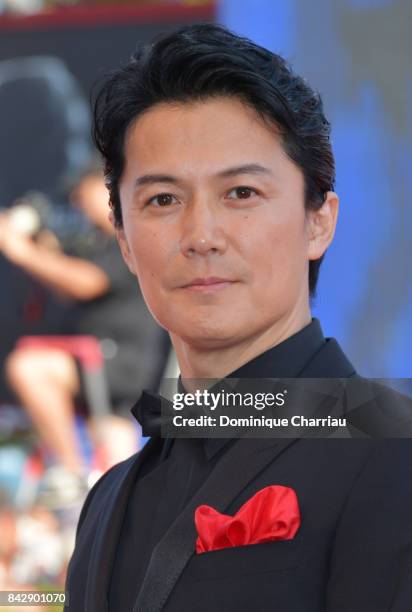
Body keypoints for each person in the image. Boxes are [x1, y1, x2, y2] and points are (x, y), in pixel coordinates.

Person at [64, 24, 412, 611]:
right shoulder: (108, 501)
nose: (201, 236)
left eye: (242, 193)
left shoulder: (392, 454)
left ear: (318, 221)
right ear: (123, 240)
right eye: (163, 200)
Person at [1, 168, 168, 497]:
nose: (80, 204)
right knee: (117, 469)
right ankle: (117, 504)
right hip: (114, 372)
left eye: (85, 194)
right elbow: (70, 284)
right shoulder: (98, 242)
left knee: (29, 368)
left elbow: (85, 282)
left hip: (121, 359)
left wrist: (21, 251)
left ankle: (71, 471)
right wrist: (43, 249)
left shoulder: (133, 236)